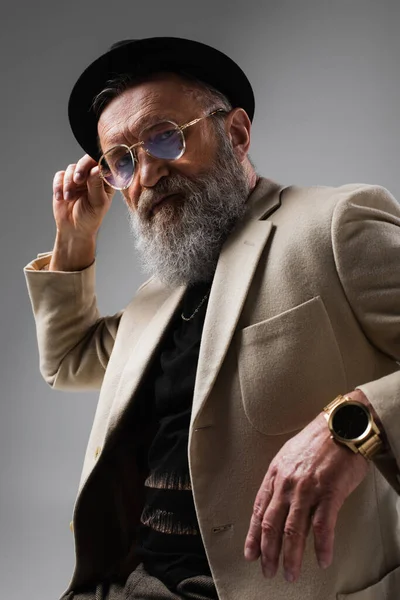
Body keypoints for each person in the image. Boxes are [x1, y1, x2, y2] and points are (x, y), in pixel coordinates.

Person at [24, 37, 400, 600]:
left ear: (237, 132)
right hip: (133, 583)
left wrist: (349, 429)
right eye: (121, 161)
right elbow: (69, 362)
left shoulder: (334, 224)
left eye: (164, 137)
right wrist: (73, 244)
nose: (146, 174)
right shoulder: (159, 293)